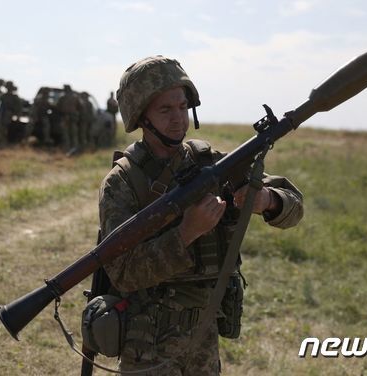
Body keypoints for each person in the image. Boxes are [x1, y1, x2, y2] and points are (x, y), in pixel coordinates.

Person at [98, 55, 304, 374]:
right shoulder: (123, 183)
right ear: (141, 117)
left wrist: (266, 199)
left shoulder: (211, 164)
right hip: (147, 344)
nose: (178, 118)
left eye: (182, 107)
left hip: (204, 339)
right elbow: (123, 273)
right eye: (165, 110)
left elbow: (294, 208)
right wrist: (185, 234)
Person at [0, 81, 22, 148]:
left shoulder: (15, 97)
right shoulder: (2, 95)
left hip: (9, 115)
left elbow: (19, 107)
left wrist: (18, 116)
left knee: (6, 130)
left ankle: (3, 143)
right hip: (1, 114)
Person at [57, 84, 80, 155]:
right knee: (73, 134)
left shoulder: (62, 97)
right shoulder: (75, 97)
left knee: (66, 134)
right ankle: (74, 149)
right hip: (73, 118)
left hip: (65, 117)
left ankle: (67, 150)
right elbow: (80, 107)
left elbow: (58, 107)